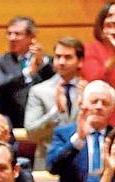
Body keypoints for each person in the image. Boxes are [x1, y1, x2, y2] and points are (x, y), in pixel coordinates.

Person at [47, 80, 115, 182]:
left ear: (112, 109)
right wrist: (78, 140)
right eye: (94, 101)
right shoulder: (64, 133)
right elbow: (52, 166)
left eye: (105, 103)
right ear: (82, 104)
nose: (99, 106)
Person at [26, 37, 86, 166]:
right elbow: (31, 133)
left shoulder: (89, 91)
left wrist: (85, 109)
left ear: (80, 61)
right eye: (58, 57)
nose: (62, 62)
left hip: (82, 162)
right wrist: (55, 113)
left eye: (68, 57)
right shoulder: (38, 91)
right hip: (48, 162)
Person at [0, 17, 54, 129]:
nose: (12, 38)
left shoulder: (46, 62)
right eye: (9, 33)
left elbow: (54, 85)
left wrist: (43, 64)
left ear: (31, 37)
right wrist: (26, 74)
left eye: (17, 34)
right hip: (12, 125)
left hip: (42, 125)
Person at [82, 2, 115, 127]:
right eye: (109, 16)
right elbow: (94, 81)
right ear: (101, 21)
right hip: (99, 113)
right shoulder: (90, 49)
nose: (114, 20)